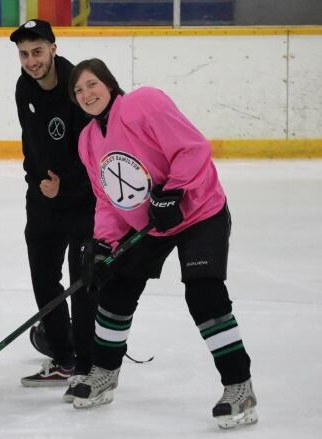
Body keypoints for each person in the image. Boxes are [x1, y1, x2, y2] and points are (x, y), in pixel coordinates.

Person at [67, 58, 257, 429]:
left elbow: (193, 148)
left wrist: (173, 191)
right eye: (78, 91)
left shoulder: (143, 103)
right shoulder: (88, 140)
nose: (86, 94)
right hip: (150, 225)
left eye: (92, 84)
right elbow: (107, 199)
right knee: (115, 292)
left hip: (198, 211)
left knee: (204, 294)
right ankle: (105, 372)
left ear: (109, 84)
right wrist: (104, 245)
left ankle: (239, 385)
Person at [10, 19, 97, 389]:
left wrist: (66, 186)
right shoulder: (23, 87)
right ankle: (62, 357)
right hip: (43, 198)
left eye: (38, 52)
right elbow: (31, 144)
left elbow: (93, 149)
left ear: (53, 48)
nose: (31, 61)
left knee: (82, 283)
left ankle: (88, 364)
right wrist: (39, 184)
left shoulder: (76, 86)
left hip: (82, 200)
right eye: (24, 54)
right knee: (44, 278)